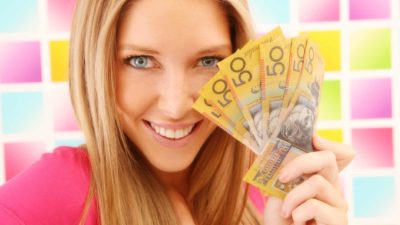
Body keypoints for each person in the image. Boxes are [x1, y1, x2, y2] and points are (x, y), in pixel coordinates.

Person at [0, 0, 355, 224]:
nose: (175, 106)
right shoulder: (45, 200)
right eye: (140, 61)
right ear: (95, 64)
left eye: (208, 61)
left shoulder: (271, 190)